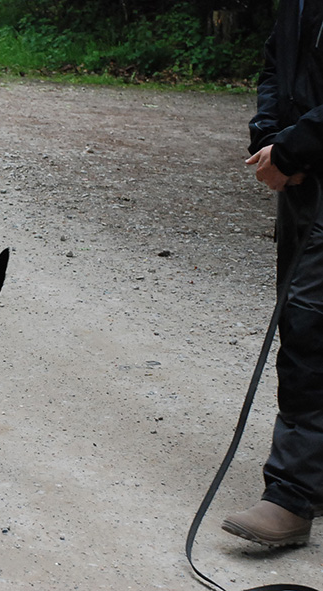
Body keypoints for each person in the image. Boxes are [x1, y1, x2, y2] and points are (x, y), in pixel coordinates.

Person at [221, 0, 323, 547]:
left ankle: (291, 495)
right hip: (305, 183)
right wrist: (269, 138)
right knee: (303, 328)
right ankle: (309, 482)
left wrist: (295, 145)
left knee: (309, 330)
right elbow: (275, 64)